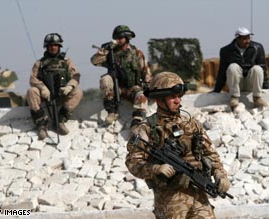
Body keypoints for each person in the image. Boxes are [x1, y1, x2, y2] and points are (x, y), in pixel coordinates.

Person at [126, 72, 230, 219]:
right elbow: (133, 163)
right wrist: (156, 169)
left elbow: (209, 153)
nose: (178, 101)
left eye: (179, 97)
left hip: (198, 194)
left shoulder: (190, 123)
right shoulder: (147, 128)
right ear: (160, 99)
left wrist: (220, 174)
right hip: (171, 200)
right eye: (173, 97)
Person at [91, 25, 152, 125]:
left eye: (120, 38)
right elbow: (94, 61)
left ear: (127, 38)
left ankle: (137, 119)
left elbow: (146, 71)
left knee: (142, 97)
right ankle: (111, 111)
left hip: (133, 88)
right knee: (105, 79)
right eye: (116, 38)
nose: (117, 40)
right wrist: (105, 49)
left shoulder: (136, 53)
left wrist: (148, 86)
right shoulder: (110, 53)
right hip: (116, 89)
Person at [27, 33, 83, 140]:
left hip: (61, 94)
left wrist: (69, 87)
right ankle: (41, 124)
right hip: (45, 96)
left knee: (78, 92)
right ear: (47, 47)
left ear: (59, 46)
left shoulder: (67, 62)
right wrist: (42, 87)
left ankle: (60, 120)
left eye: (55, 45)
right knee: (31, 91)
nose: (53, 47)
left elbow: (76, 76)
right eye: (50, 45)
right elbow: (32, 79)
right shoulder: (40, 63)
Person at [213, 27, 268, 108]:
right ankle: (234, 97)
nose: (247, 41)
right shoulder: (226, 50)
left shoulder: (257, 47)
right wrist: (216, 90)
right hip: (236, 84)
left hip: (251, 83)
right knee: (232, 67)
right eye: (244, 39)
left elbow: (263, 67)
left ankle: (257, 98)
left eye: (248, 38)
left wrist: (266, 87)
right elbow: (222, 71)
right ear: (237, 39)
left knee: (258, 68)